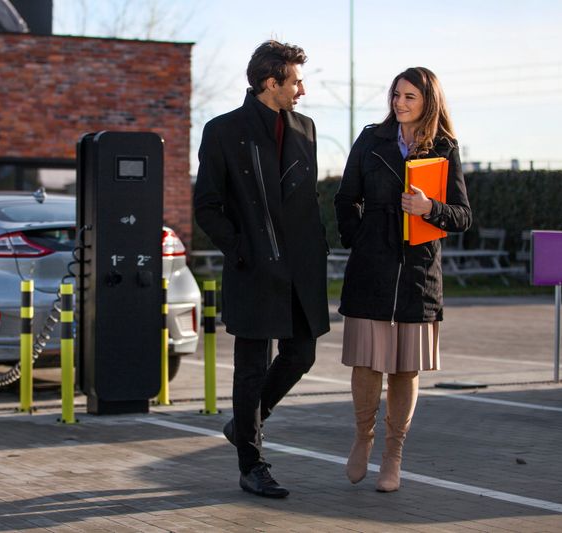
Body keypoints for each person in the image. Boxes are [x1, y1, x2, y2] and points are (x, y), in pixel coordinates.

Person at [194, 40, 330, 498]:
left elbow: (307, 201)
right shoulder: (222, 131)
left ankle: (245, 422)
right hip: (253, 267)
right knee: (250, 368)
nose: (303, 90)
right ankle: (251, 463)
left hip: (300, 268)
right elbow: (207, 206)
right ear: (271, 84)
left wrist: (319, 249)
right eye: (296, 81)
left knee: (302, 353)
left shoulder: (306, 128)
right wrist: (240, 249)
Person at [334, 67, 472, 492]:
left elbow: (462, 216)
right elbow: (345, 197)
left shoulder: (445, 148)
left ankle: (393, 455)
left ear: (428, 101)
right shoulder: (371, 139)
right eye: (396, 95)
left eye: (410, 97)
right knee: (366, 362)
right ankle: (363, 438)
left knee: (404, 368)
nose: (400, 103)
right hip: (371, 267)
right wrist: (360, 238)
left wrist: (429, 207)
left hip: (418, 273)